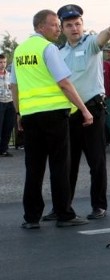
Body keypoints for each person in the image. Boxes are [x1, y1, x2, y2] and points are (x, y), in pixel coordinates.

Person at [10, 9, 93, 229]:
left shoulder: (19, 51)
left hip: (30, 117)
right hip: (54, 115)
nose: (58, 29)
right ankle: (64, 214)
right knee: (60, 166)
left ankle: (31, 218)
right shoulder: (48, 48)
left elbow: (14, 86)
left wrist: (19, 113)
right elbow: (64, 83)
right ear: (40, 27)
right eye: (55, 25)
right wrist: (84, 109)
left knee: (34, 168)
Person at [42, 4, 110, 222]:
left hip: (92, 110)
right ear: (63, 28)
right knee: (68, 164)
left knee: (96, 161)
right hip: (68, 113)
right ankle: (62, 207)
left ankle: (99, 206)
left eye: (78, 24)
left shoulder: (90, 44)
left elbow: (102, 38)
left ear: (82, 25)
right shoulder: (59, 52)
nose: (74, 28)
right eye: (69, 25)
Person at [0, 53, 15, 157]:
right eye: (0, 62)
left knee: (8, 126)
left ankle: (4, 150)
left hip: (10, 102)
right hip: (0, 102)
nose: (2, 64)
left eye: (4, 62)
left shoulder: (9, 74)